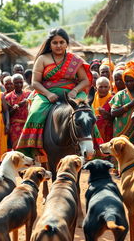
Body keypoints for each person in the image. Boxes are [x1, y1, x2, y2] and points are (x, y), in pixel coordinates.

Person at [16, 28, 94, 162]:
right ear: (49, 44)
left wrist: (75, 90)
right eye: (55, 43)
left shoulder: (75, 60)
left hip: (72, 92)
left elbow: (85, 80)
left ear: (67, 44)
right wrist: (48, 94)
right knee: (35, 112)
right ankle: (33, 147)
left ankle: (94, 145)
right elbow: (35, 83)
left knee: (87, 113)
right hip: (46, 93)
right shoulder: (42, 59)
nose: (58, 46)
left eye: (61, 42)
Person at [109, 61, 134, 147]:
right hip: (120, 131)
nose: (128, 83)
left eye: (131, 81)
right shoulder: (120, 95)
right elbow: (113, 113)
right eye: (126, 81)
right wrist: (131, 104)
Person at [5, 74, 30, 148]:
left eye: (21, 82)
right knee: (17, 148)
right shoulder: (8, 97)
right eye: (16, 83)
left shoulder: (29, 94)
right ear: (12, 83)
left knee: (28, 147)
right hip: (15, 127)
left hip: (28, 124)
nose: (19, 85)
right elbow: (7, 114)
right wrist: (15, 108)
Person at [92, 77, 113, 142]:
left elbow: (116, 117)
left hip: (108, 133)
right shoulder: (92, 98)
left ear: (109, 87)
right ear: (96, 88)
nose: (103, 89)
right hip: (94, 131)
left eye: (106, 87)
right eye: (100, 87)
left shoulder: (113, 99)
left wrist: (106, 114)